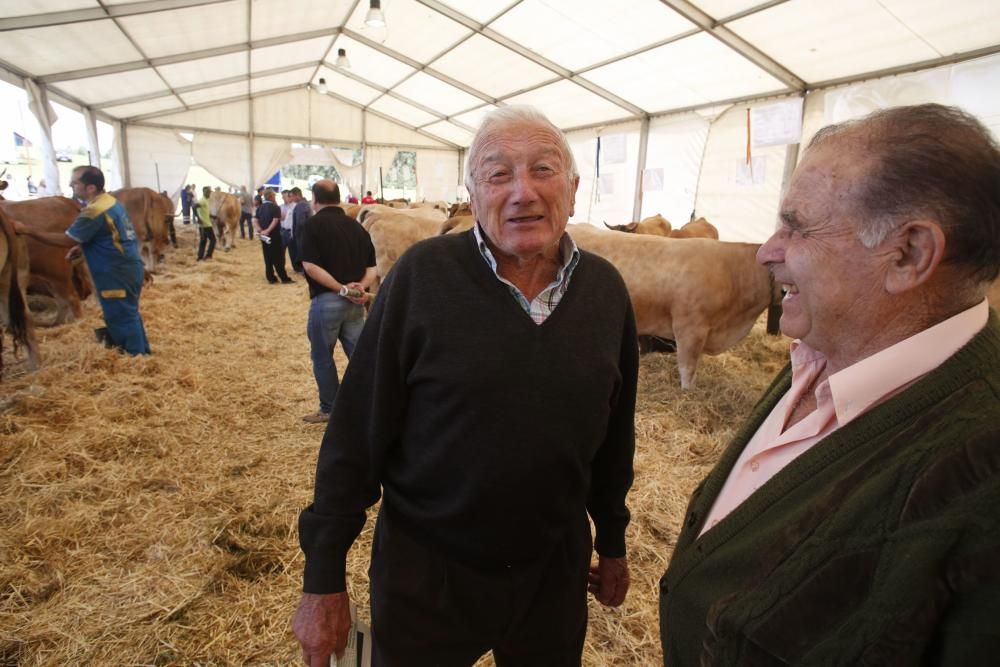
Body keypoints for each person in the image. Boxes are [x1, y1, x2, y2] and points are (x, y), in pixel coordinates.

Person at [293, 106, 638, 666]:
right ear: (472, 196)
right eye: (498, 174)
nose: (522, 192)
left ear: (574, 190)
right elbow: (356, 437)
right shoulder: (422, 278)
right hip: (429, 576)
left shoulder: (605, 291)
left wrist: (613, 542)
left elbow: (614, 435)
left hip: (553, 573)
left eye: (543, 170)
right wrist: (323, 577)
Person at [659, 104, 1000, 665]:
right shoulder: (827, 346)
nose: (768, 251)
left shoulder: (982, 484)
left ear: (908, 254)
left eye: (797, 225)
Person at [13, 165, 150, 355]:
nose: (71, 184)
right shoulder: (111, 202)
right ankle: (141, 354)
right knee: (129, 315)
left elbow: (67, 239)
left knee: (121, 318)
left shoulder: (93, 211)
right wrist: (83, 247)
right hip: (128, 268)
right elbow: (110, 234)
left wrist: (28, 231)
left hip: (114, 273)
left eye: (75, 182)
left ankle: (136, 358)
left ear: (90, 188)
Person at [297, 179, 376, 424]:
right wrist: (359, 287)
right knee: (362, 357)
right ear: (339, 198)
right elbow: (372, 267)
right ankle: (372, 405)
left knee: (323, 356)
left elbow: (310, 266)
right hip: (355, 304)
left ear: (315, 199)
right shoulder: (357, 227)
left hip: (327, 301)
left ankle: (329, 408)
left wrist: (341, 289)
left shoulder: (311, 226)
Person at [253, 188, 293, 284]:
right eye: (274, 195)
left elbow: (255, 220)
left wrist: (260, 230)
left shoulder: (260, 207)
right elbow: (275, 221)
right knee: (278, 257)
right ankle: (284, 278)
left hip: (263, 237)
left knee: (267, 256)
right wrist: (267, 231)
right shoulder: (275, 208)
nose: (275, 197)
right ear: (271, 196)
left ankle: (270, 277)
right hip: (274, 236)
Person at [290, 186, 311, 274]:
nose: (291, 198)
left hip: (301, 234)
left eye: (292, 196)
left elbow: (300, 222)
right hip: (305, 233)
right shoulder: (306, 203)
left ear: (297, 195)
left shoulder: (301, 205)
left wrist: (295, 234)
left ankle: (304, 271)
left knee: (302, 253)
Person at [195, 185, 215, 261]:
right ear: (204, 192)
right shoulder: (202, 200)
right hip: (206, 225)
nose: (209, 194)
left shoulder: (206, 200)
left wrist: (212, 216)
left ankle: (200, 257)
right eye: (208, 192)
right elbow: (194, 206)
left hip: (204, 224)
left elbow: (204, 211)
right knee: (213, 240)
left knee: (203, 241)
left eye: (210, 192)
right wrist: (198, 218)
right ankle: (208, 256)